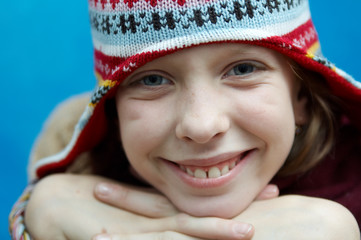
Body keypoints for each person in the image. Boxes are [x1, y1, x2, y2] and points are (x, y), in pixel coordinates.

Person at [9, 0, 361, 239]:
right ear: (114, 113)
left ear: (301, 96)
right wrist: (41, 212)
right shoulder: (75, 189)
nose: (201, 125)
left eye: (242, 69)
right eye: (152, 80)